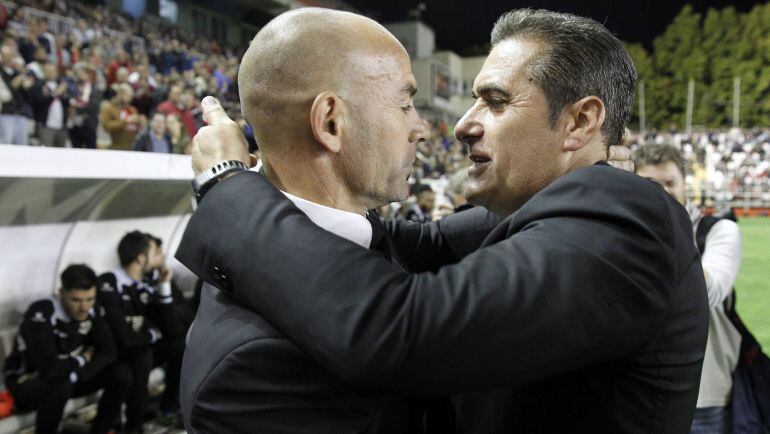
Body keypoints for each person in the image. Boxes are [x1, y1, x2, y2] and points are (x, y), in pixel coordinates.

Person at [180, 8, 708, 434]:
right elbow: (406, 244)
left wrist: (228, 186)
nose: (457, 127)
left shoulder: (623, 216)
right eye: (406, 104)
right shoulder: (557, 211)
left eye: (495, 102)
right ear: (331, 122)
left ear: (580, 122)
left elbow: (400, 325)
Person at [634, 144, 742, 434]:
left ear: (685, 183)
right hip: (637, 392)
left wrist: (664, 231)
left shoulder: (718, 230)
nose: (663, 192)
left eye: (670, 183)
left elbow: (711, 293)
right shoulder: (628, 229)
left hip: (704, 394)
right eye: (651, 185)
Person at [2, 264, 130, 434]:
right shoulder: (41, 313)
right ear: (61, 293)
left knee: (121, 373)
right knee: (60, 386)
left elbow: (108, 351)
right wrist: (83, 358)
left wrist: (78, 373)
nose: (84, 307)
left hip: (70, 375)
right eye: (75, 300)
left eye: (89, 299)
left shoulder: (92, 310)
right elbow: (49, 367)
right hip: (28, 382)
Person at [98, 231, 174, 433]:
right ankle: (133, 427)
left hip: (139, 349)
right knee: (140, 359)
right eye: (154, 252)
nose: (161, 257)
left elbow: (168, 326)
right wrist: (150, 334)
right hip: (117, 354)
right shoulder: (109, 282)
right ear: (141, 258)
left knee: (180, 346)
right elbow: (122, 335)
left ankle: (171, 409)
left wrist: (164, 288)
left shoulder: (148, 284)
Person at [28, 63, 71, 147]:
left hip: (61, 126)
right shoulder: (38, 85)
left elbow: (67, 103)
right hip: (46, 125)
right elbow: (40, 102)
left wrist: (64, 94)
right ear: (43, 72)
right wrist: (56, 92)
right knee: (46, 152)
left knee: (61, 153)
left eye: (53, 71)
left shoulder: (61, 84)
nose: (51, 73)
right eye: (48, 71)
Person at [100, 83, 145, 150]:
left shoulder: (132, 109)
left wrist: (140, 121)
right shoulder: (109, 107)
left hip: (131, 146)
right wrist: (126, 121)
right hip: (116, 146)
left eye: (131, 96)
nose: (130, 99)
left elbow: (138, 128)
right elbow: (106, 126)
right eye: (128, 96)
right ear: (120, 94)